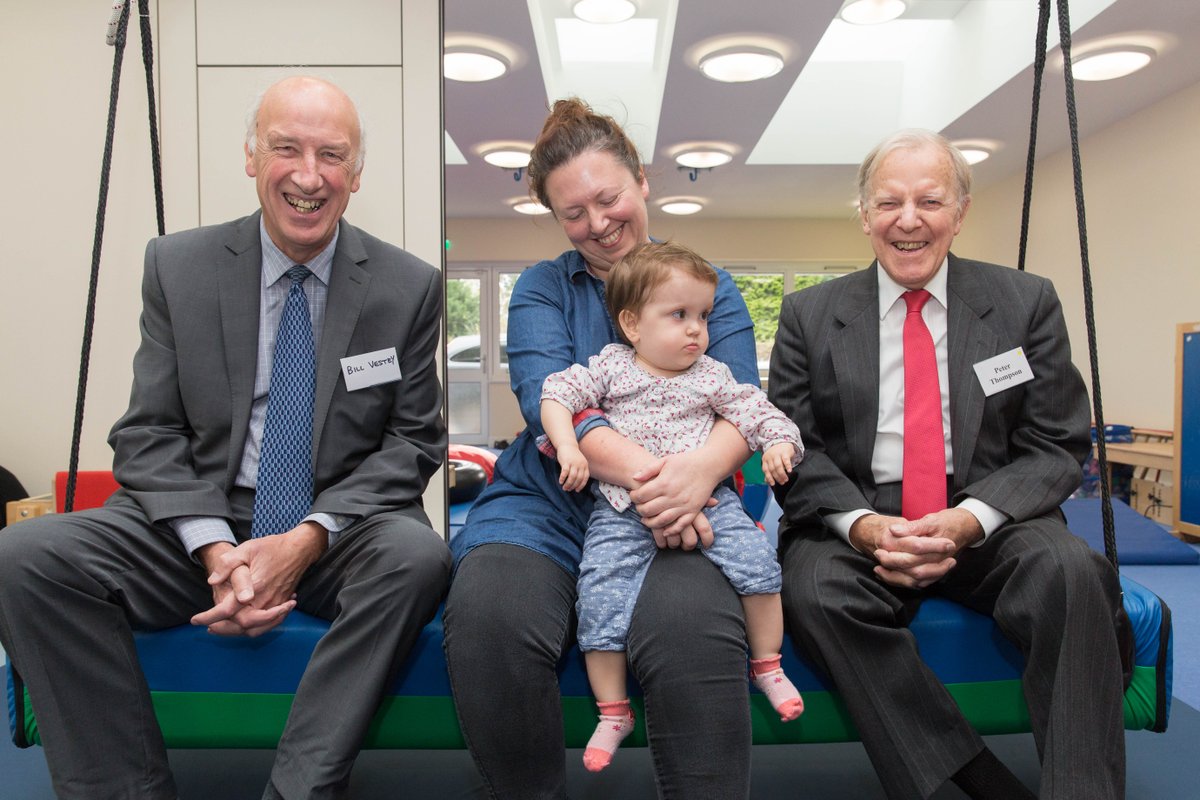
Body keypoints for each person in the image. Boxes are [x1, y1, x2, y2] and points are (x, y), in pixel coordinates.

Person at [0, 76, 449, 800]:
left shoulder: (408, 286)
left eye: (332, 155)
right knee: (24, 556)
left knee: (418, 557)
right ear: (251, 157)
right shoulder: (178, 267)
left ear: (356, 174)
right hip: (196, 522)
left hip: (333, 531)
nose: (308, 175)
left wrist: (305, 539)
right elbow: (147, 433)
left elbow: (411, 443)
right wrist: (216, 549)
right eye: (286, 149)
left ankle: (298, 790)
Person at [768, 128, 1128, 800]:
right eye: (889, 202)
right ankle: (973, 775)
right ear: (865, 215)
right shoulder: (809, 316)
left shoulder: (1025, 303)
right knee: (813, 591)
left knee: (1075, 574)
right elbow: (795, 447)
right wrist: (864, 526)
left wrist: (966, 520)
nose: (908, 220)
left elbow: (1057, 442)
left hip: (989, 516)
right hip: (860, 516)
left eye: (929, 201)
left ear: (959, 213)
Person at [444, 99, 762, 799]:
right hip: (551, 503)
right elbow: (553, 405)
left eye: (608, 198)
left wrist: (694, 480)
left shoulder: (713, 290)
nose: (597, 225)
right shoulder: (541, 290)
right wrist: (665, 485)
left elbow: (741, 409)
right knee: (488, 619)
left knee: (693, 631)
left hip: (682, 501)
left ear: (642, 181)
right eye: (573, 213)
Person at [540, 241, 804, 772]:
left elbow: (760, 412)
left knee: (759, 566)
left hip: (710, 501)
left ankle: (768, 665)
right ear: (632, 325)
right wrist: (568, 446)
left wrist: (778, 443)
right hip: (622, 511)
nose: (696, 330)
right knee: (598, 598)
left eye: (703, 316)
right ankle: (613, 711)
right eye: (679, 315)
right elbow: (555, 394)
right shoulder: (610, 366)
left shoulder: (711, 375)